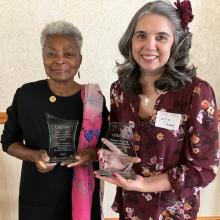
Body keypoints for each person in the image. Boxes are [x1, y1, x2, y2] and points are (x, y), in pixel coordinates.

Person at [95, 0, 219, 219]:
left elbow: (204, 169)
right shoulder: (119, 91)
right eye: (141, 35)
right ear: (130, 40)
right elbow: (121, 147)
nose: (149, 46)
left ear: (176, 43)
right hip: (131, 207)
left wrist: (144, 184)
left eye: (161, 37)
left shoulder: (197, 92)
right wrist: (114, 160)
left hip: (173, 211)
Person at [1, 20, 109, 220]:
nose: (60, 60)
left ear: (80, 59)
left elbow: (107, 147)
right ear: (43, 58)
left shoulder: (94, 100)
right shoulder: (26, 95)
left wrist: (91, 154)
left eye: (68, 54)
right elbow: (8, 142)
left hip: (83, 199)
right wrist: (34, 156)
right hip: (37, 198)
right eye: (51, 54)